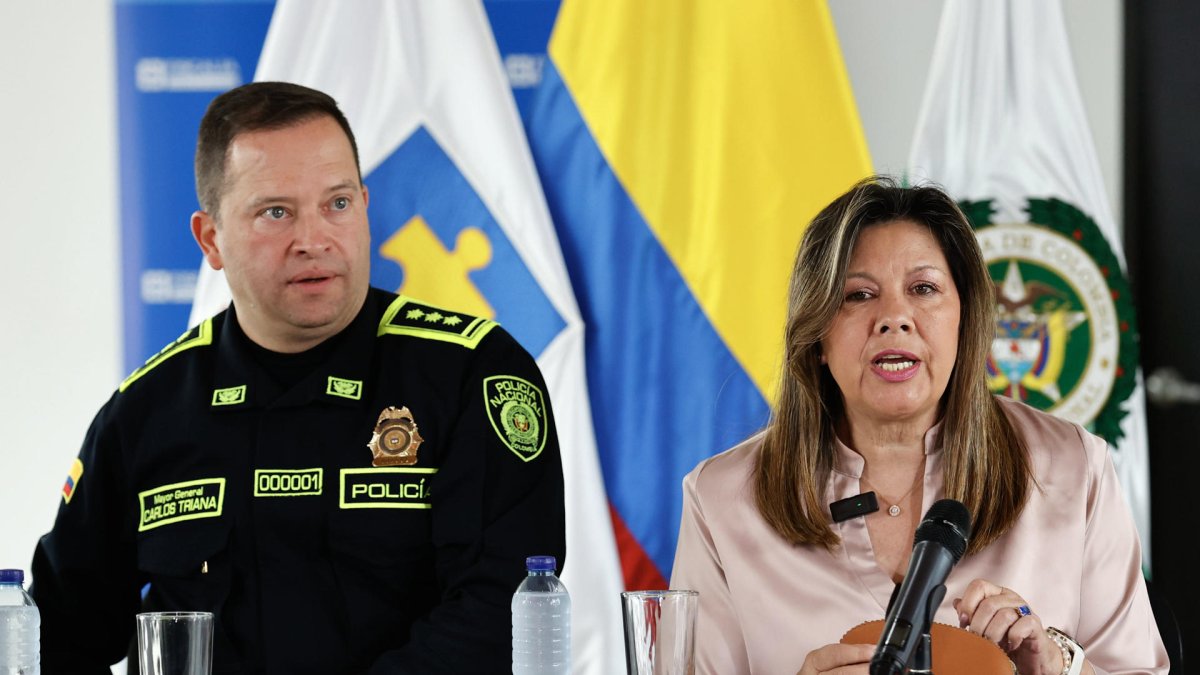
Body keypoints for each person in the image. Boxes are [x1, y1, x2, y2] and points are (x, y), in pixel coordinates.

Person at [30, 81, 565, 673]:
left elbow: (503, 616)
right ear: (211, 239)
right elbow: (58, 634)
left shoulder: (474, 373)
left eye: (337, 204)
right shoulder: (145, 412)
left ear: (364, 205)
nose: (313, 240)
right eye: (275, 212)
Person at [670, 177, 1167, 674]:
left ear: (964, 318)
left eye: (923, 288)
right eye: (859, 295)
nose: (895, 318)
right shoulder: (721, 499)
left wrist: (1055, 667)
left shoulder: (1075, 467)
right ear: (817, 333)